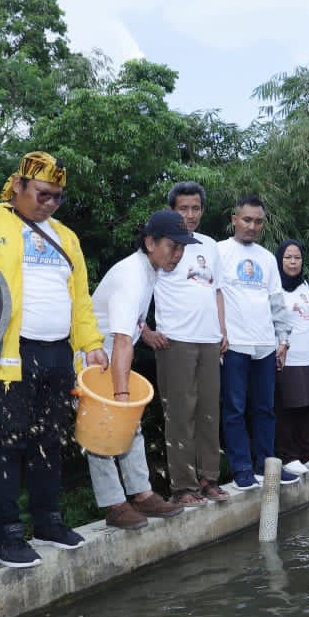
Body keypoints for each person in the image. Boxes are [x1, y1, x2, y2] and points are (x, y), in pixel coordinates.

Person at [0, 151, 107, 568]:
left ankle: (48, 521)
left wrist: (91, 342)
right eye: (43, 194)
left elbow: (80, 298)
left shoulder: (66, 237)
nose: (50, 203)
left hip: (58, 352)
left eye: (58, 197)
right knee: (6, 442)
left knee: (49, 441)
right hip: (10, 352)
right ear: (18, 185)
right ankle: (5, 535)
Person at [86, 210, 195, 528]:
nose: (178, 254)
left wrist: (144, 331)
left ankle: (142, 494)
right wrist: (121, 395)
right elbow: (122, 340)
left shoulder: (149, 270)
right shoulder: (132, 276)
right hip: (94, 357)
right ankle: (114, 504)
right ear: (150, 243)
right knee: (101, 430)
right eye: (172, 246)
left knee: (130, 424)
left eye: (182, 247)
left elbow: (131, 321)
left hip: (115, 354)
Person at [139, 182, 229, 506]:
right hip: (175, 341)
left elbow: (217, 289)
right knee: (180, 415)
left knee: (209, 413)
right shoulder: (161, 246)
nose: (190, 215)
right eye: (183, 208)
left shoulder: (210, 245)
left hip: (210, 341)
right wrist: (145, 331)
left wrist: (223, 330)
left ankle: (209, 480)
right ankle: (183, 487)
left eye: (195, 208)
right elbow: (136, 292)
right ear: (172, 210)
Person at [215, 196, 297, 489]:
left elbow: (276, 302)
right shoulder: (218, 251)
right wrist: (219, 333)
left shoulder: (267, 258)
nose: (252, 226)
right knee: (235, 409)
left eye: (258, 221)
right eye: (247, 220)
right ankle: (241, 468)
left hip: (265, 345)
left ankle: (266, 465)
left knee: (265, 409)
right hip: (233, 345)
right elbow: (212, 295)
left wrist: (283, 339)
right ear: (234, 219)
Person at [274, 240, 309, 475]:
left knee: (307, 406)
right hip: (288, 355)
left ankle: (308, 454)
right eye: (288, 257)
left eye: (297, 258)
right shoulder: (275, 286)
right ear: (279, 260)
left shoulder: (305, 285)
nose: (293, 262)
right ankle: (289, 457)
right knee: (288, 406)